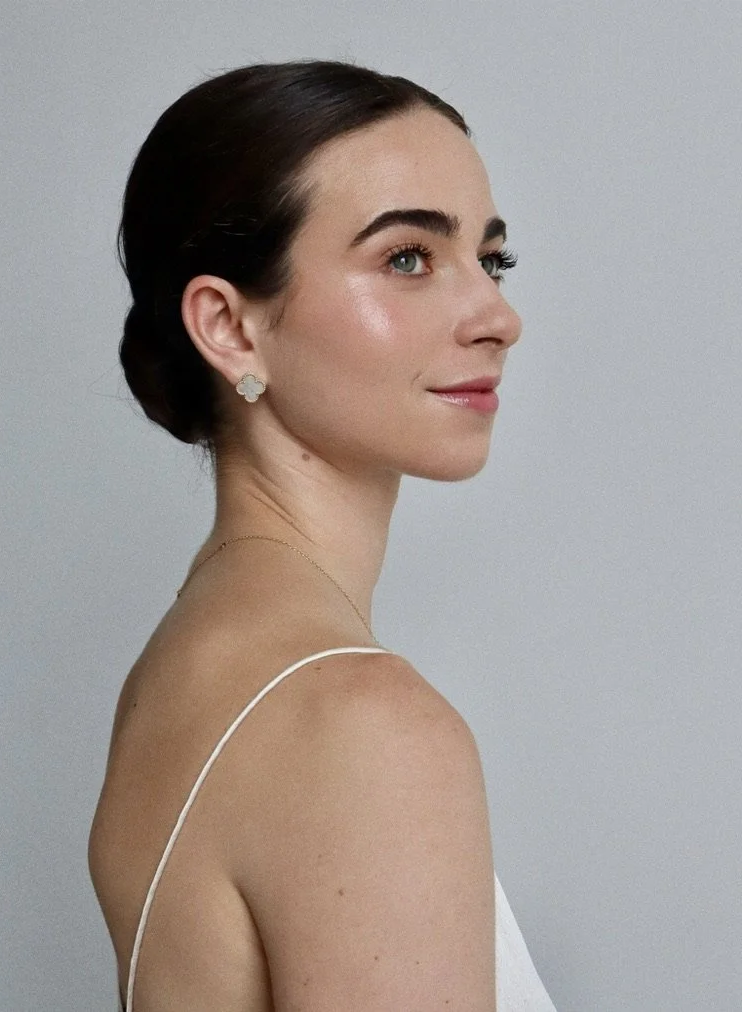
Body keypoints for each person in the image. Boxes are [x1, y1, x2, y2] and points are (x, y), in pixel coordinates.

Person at [88, 58, 556, 1011]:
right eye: (409, 258)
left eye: (491, 258)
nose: (498, 317)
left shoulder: (185, 664)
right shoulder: (361, 719)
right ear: (229, 327)